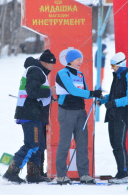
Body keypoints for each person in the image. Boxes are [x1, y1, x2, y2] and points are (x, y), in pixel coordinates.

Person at [3, 49, 56, 184]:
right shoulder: (36, 70)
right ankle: (11, 172)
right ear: (45, 62)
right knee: (32, 145)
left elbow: (36, 92)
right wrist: (49, 92)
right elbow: (32, 92)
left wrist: (49, 95)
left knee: (39, 146)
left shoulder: (38, 71)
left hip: (35, 115)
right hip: (30, 114)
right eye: (51, 64)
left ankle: (33, 175)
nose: (52, 67)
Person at [55, 49, 102, 184]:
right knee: (64, 143)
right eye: (77, 59)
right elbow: (73, 90)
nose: (80, 62)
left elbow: (85, 91)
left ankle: (84, 174)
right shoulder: (62, 73)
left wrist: (96, 95)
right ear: (70, 60)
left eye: (81, 59)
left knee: (82, 144)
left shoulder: (80, 75)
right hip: (66, 111)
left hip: (81, 112)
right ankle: (61, 175)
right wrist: (92, 93)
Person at [97, 52, 128, 184]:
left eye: (113, 65)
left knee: (119, 144)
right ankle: (121, 173)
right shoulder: (117, 76)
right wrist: (105, 100)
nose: (112, 68)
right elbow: (116, 94)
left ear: (120, 64)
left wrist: (114, 103)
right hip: (115, 113)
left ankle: (123, 174)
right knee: (114, 144)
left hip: (124, 113)